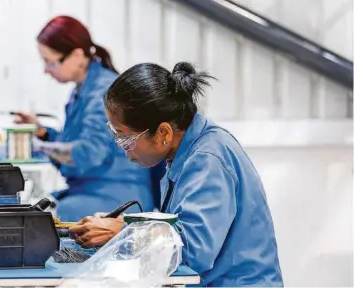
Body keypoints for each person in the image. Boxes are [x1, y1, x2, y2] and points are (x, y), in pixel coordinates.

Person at [69, 62, 284, 286]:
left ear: (163, 132)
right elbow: (179, 228)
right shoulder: (186, 152)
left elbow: (193, 251)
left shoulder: (208, 159)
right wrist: (127, 224)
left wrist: (123, 233)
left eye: (125, 137)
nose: (122, 147)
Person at [13, 16, 154, 222]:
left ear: (78, 55)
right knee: (37, 213)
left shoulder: (103, 92)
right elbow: (75, 141)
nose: (46, 70)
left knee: (39, 223)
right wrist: (43, 133)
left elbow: (89, 152)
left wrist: (38, 147)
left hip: (114, 196)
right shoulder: (84, 89)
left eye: (50, 62)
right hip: (92, 190)